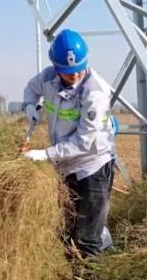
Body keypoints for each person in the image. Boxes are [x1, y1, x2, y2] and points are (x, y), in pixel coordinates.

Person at [22, 29, 116, 257]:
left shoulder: (95, 93)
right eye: (67, 72)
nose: (74, 76)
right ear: (56, 67)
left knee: (86, 240)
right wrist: (29, 107)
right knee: (67, 232)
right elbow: (31, 90)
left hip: (91, 166)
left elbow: (83, 143)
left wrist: (44, 154)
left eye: (77, 70)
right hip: (65, 166)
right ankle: (77, 277)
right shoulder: (47, 78)